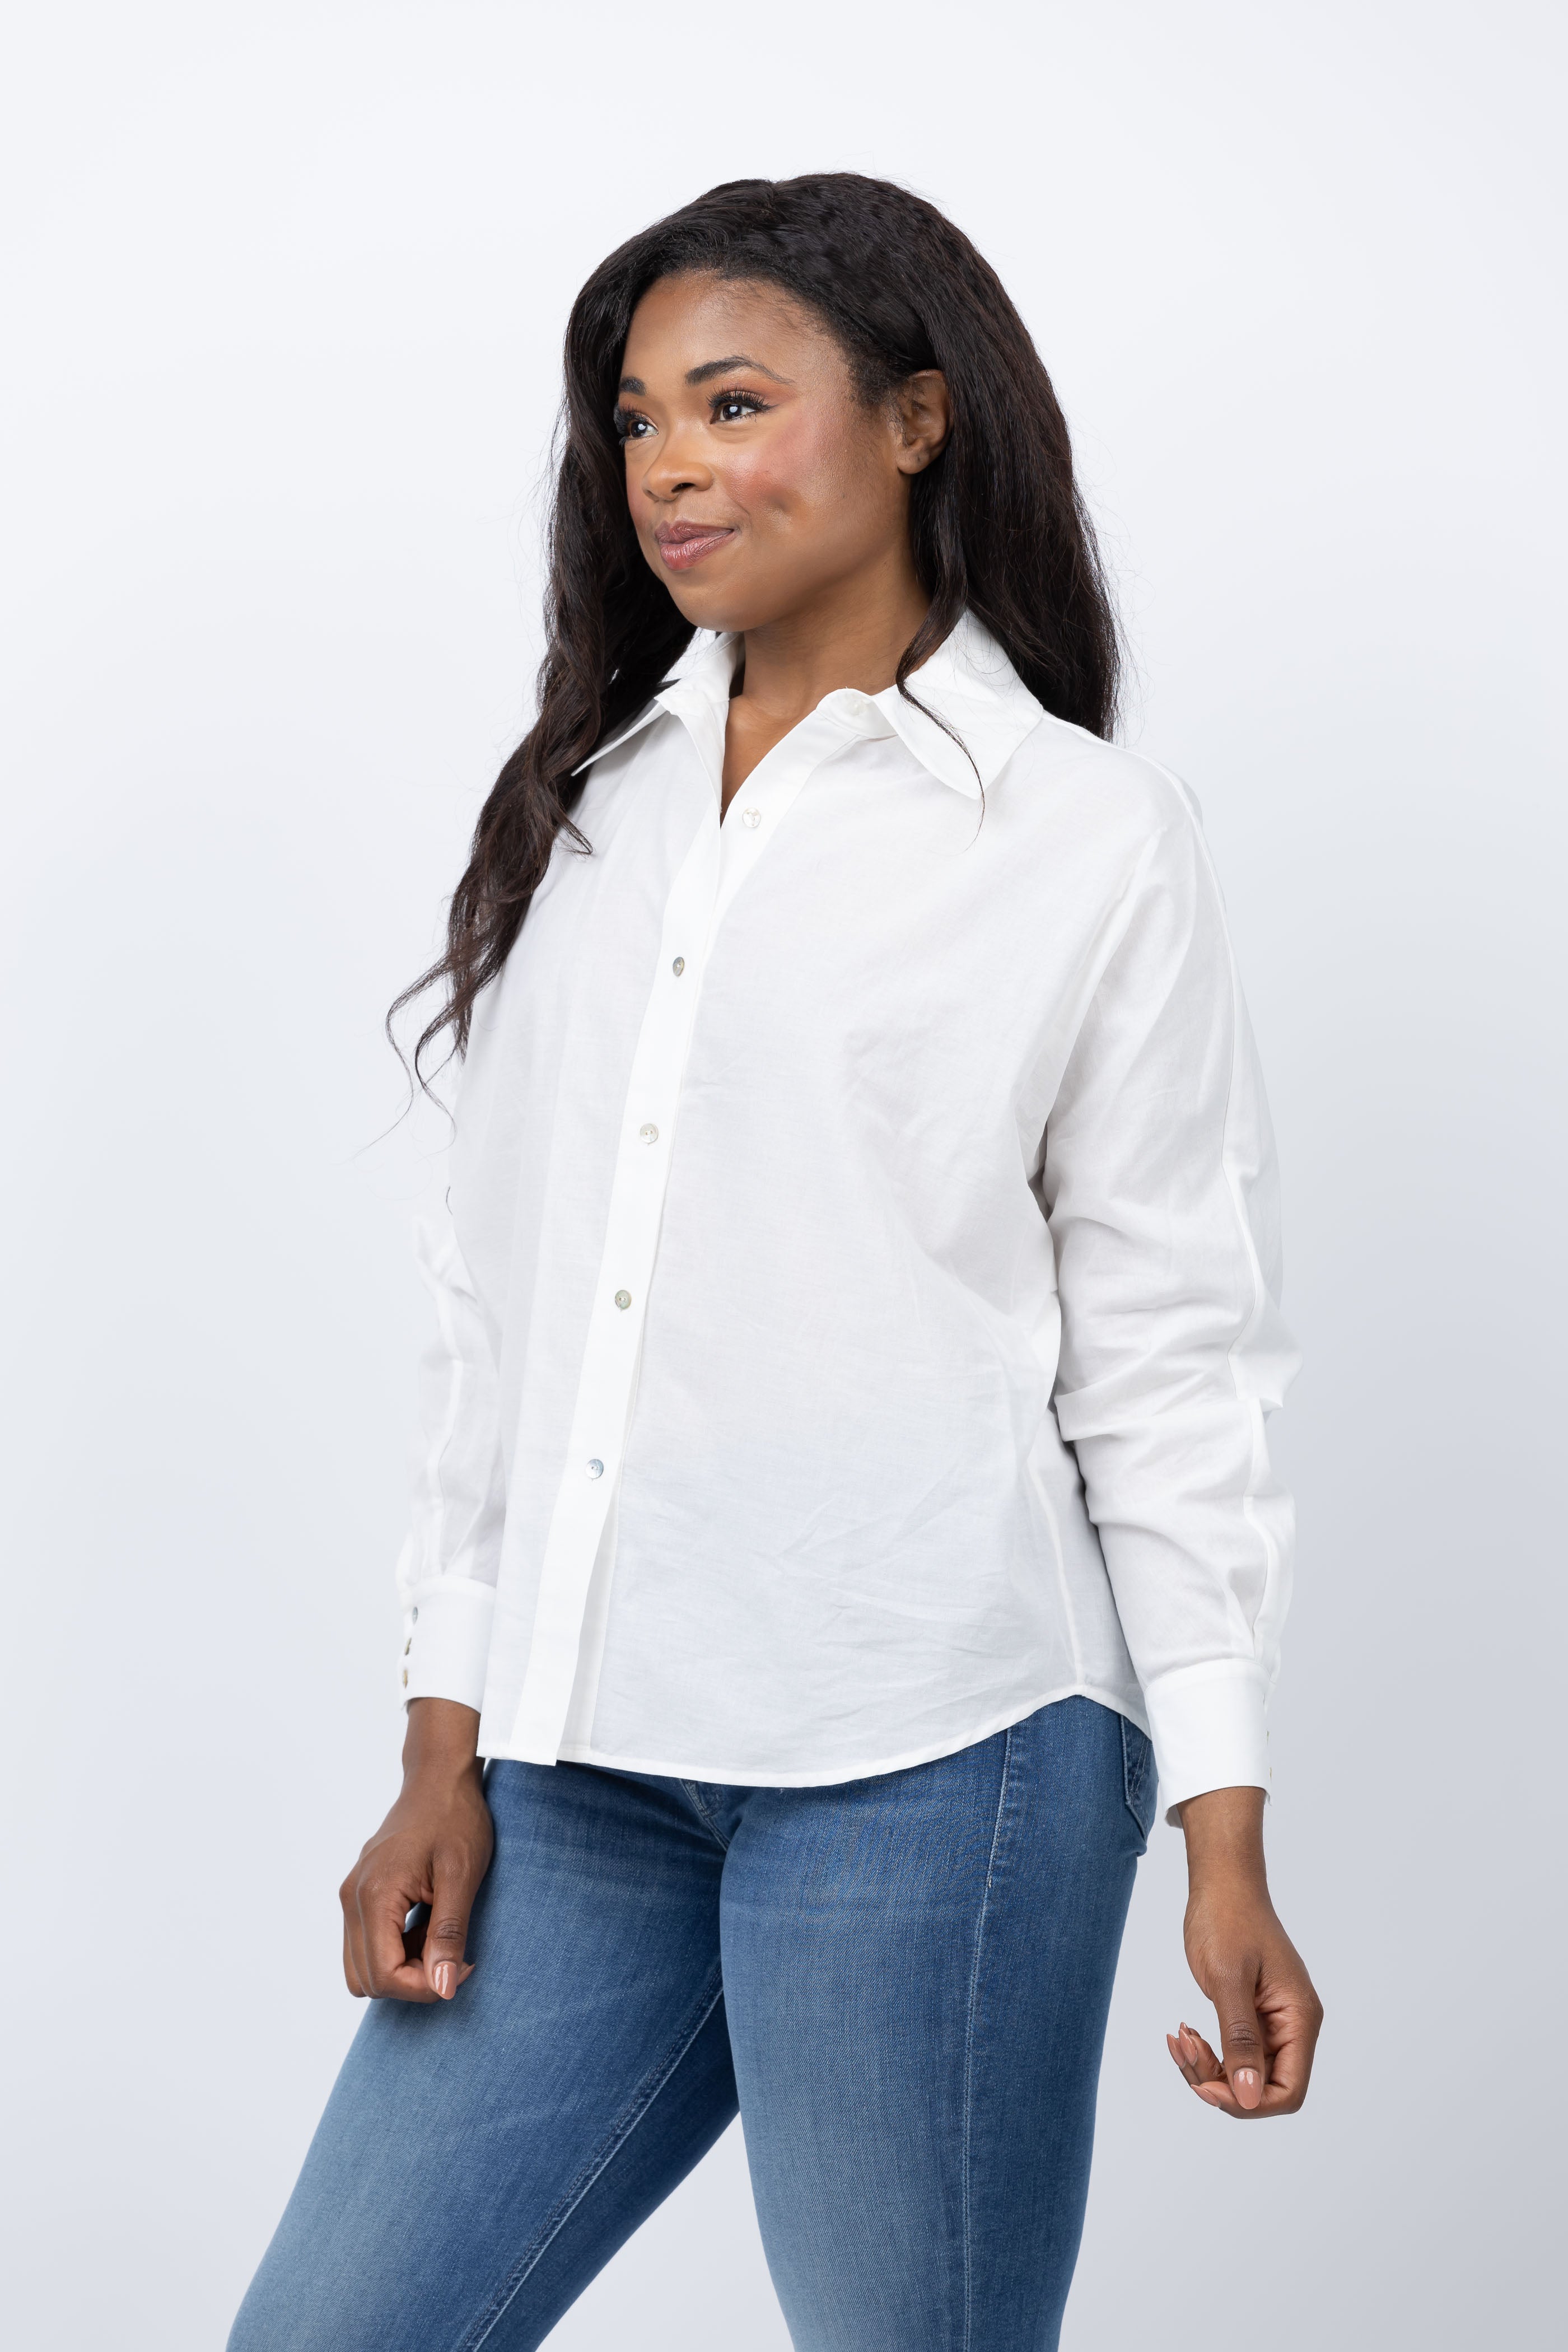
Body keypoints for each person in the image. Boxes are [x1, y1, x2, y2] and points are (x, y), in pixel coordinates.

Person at [230, 172, 1322, 2352]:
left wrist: (1222, 1829)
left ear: (918, 420)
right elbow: (498, 1313)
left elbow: (1170, 1353)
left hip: (942, 1754)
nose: (670, 466)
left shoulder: (1084, 838)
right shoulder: (590, 808)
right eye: (638, 420)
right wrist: (445, 1739)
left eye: (733, 404)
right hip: (581, 1773)